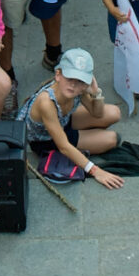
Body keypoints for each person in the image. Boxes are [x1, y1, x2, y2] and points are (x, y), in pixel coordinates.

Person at [17, 47, 125, 184]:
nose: (74, 85)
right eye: (70, 78)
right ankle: (86, 137)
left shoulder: (79, 89)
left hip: (64, 121)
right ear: (58, 75)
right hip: (47, 140)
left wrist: (96, 92)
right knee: (112, 139)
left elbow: (97, 113)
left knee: (114, 112)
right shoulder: (46, 102)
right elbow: (63, 145)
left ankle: (86, 136)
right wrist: (96, 171)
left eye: (80, 80)